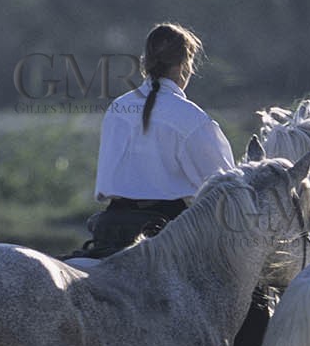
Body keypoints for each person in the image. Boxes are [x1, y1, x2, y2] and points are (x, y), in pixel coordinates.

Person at [81, 22, 236, 257]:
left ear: (146, 62)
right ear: (185, 65)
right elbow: (225, 189)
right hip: (167, 232)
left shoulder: (118, 108)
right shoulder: (191, 118)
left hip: (111, 226)